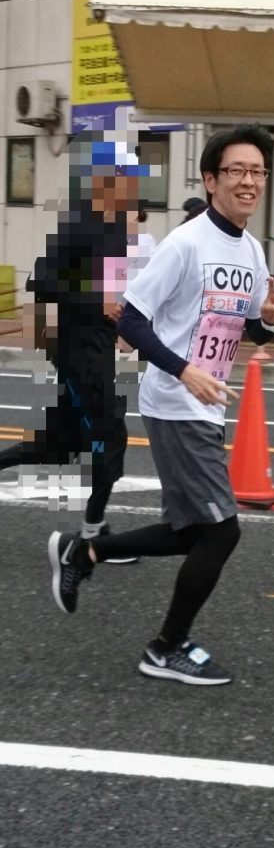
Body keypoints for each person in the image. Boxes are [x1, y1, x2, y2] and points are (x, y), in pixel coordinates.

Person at [48, 123, 274, 687]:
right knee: (222, 532)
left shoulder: (251, 250)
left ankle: (83, 555)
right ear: (210, 180)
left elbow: (247, 327)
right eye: (236, 170)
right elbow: (132, 319)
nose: (249, 181)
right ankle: (166, 646)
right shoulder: (185, 243)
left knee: (191, 531)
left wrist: (270, 320)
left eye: (257, 172)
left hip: (205, 402)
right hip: (178, 402)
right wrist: (185, 370)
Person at [0, 132, 152, 564]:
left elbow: (111, 290)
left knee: (58, 444)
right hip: (76, 350)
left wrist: (119, 319)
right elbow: (41, 281)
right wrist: (97, 302)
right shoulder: (80, 223)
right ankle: (92, 537)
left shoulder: (117, 228)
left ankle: (93, 531)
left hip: (95, 345)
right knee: (111, 436)